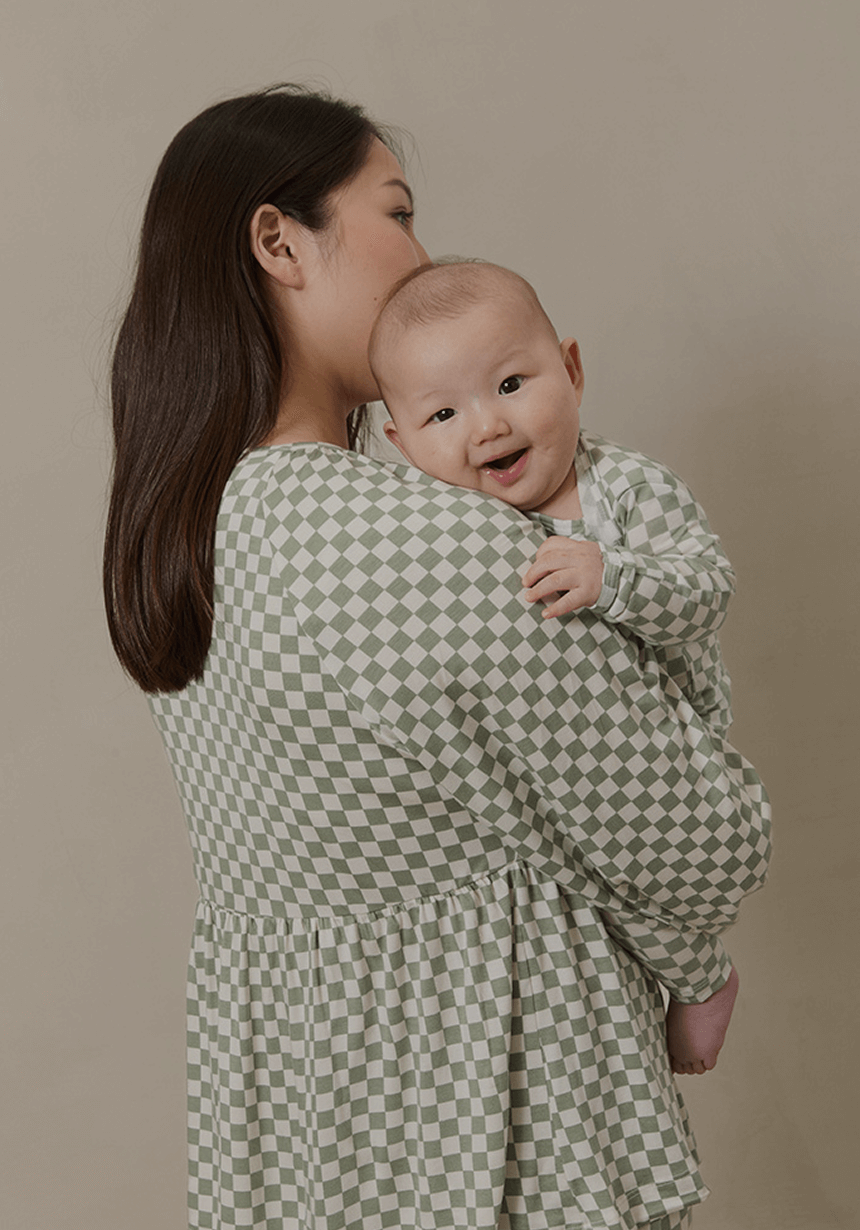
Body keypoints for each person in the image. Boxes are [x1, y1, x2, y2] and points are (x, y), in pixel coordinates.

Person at [103, 85, 770, 1230]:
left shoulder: (185, 531)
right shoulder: (424, 541)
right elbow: (700, 839)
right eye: (397, 212)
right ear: (279, 241)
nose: (422, 254)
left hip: (302, 1137)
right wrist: (693, 958)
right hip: (500, 1133)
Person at [368, 257, 744, 1072]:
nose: (487, 426)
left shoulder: (626, 489)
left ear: (570, 370)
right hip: (551, 774)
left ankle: (703, 974)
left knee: (639, 869)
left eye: (509, 385)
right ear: (400, 445)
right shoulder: (447, 522)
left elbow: (708, 587)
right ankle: (685, 981)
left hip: (665, 749)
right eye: (442, 413)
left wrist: (614, 578)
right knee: (572, 887)